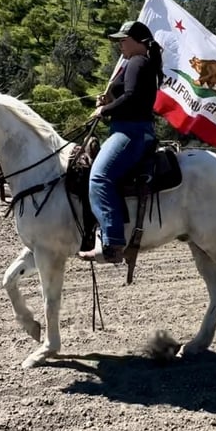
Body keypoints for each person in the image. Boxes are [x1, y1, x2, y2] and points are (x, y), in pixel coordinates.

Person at [78, 20, 164, 264]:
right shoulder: (140, 62)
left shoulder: (137, 62)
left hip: (130, 133)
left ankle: (113, 242)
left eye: (123, 41)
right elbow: (128, 99)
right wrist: (107, 102)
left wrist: (104, 111)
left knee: (100, 177)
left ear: (138, 42)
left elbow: (132, 97)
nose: (120, 46)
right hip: (130, 129)